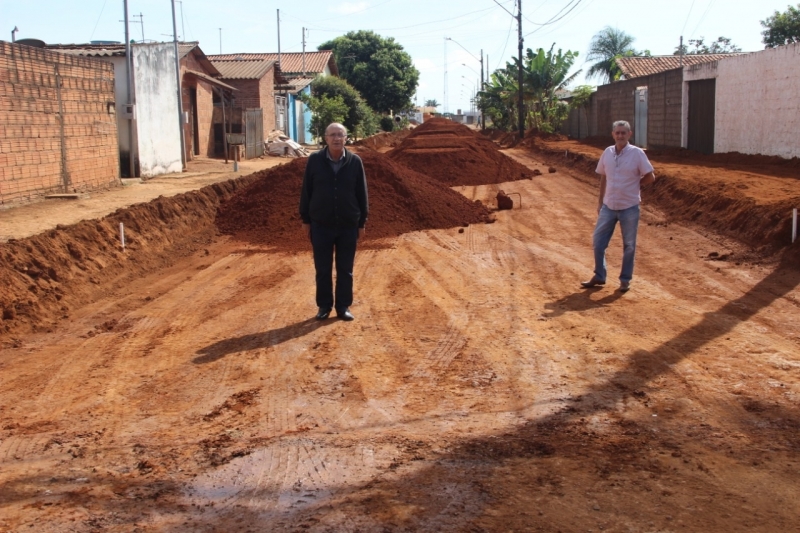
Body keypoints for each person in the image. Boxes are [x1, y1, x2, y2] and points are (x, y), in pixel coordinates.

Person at [299, 123, 368, 321]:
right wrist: (306, 219)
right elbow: (306, 191)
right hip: (321, 224)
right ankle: (324, 306)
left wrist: (362, 222)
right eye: (333, 135)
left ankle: (343, 307)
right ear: (326, 138)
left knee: (345, 269)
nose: (337, 138)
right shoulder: (314, 160)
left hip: (348, 225)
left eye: (340, 135)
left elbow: (362, 194)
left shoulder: (355, 162)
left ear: (346, 138)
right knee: (323, 268)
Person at [581, 120, 655, 293]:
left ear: (630, 134)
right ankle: (599, 275)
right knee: (598, 242)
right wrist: (600, 202)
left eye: (623, 132)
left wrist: (635, 185)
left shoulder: (637, 154)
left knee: (629, 245)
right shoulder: (607, 152)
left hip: (629, 207)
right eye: (617, 132)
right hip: (608, 206)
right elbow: (603, 177)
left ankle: (625, 280)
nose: (620, 135)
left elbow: (651, 177)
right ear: (613, 134)